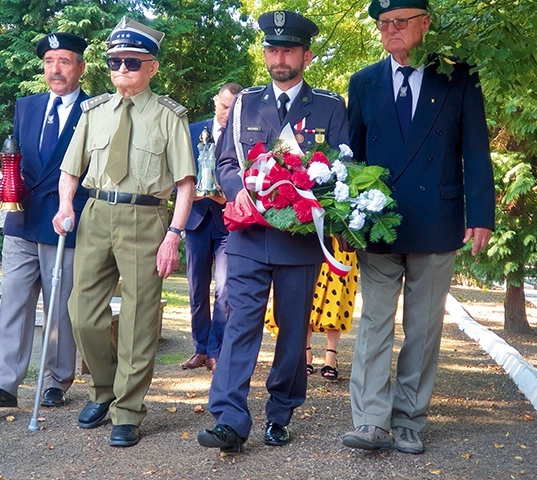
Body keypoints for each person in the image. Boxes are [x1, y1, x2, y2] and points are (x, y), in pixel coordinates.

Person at [342, 0, 495, 454]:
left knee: (424, 326)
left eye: (399, 22)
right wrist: (344, 219)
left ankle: (409, 419)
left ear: (424, 25)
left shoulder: (458, 75)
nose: (390, 30)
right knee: (373, 321)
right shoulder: (364, 82)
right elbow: (352, 157)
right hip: (378, 223)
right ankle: (371, 419)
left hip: (437, 219)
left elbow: (475, 149)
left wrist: (481, 215)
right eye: (383, 24)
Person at [197, 10, 349, 453]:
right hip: (246, 235)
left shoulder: (329, 106)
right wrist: (234, 190)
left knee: (291, 327)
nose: (278, 57)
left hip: (299, 239)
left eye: (287, 49)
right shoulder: (245, 102)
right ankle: (229, 417)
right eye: (272, 49)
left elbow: (342, 169)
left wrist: (315, 195)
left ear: (306, 54)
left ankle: (281, 410)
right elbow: (227, 163)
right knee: (240, 321)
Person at [52, 16, 195, 448]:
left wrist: (174, 235)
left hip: (146, 218)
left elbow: (186, 183)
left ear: (152, 67)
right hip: (95, 213)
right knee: (82, 312)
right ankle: (104, 390)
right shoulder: (94, 111)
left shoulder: (169, 116)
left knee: (138, 318)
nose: (120, 70)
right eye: (114, 62)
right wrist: (64, 207)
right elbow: (69, 170)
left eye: (130, 62)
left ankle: (128, 410)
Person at [0, 33, 89, 409]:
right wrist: (6, 182)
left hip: (62, 220)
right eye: (50, 61)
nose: (55, 69)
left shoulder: (95, 110)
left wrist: (72, 209)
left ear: (80, 67)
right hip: (21, 218)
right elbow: (15, 158)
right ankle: (2, 384)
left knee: (60, 306)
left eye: (64, 61)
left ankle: (56, 381)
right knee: (13, 302)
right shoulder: (28, 105)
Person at [182, 82, 242, 373]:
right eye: (223, 105)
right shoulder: (193, 130)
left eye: (232, 108)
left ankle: (216, 349)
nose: (225, 113)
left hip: (228, 221)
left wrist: (225, 194)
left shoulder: (244, 133)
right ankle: (200, 348)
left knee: (225, 289)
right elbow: (177, 169)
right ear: (215, 100)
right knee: (196, 288)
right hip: (195, 218)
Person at [264, 237, 359, 380]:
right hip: (311, 236)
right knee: (307, 292)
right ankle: (305, 352)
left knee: (337, 297)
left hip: (340, 237)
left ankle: (331, 356)